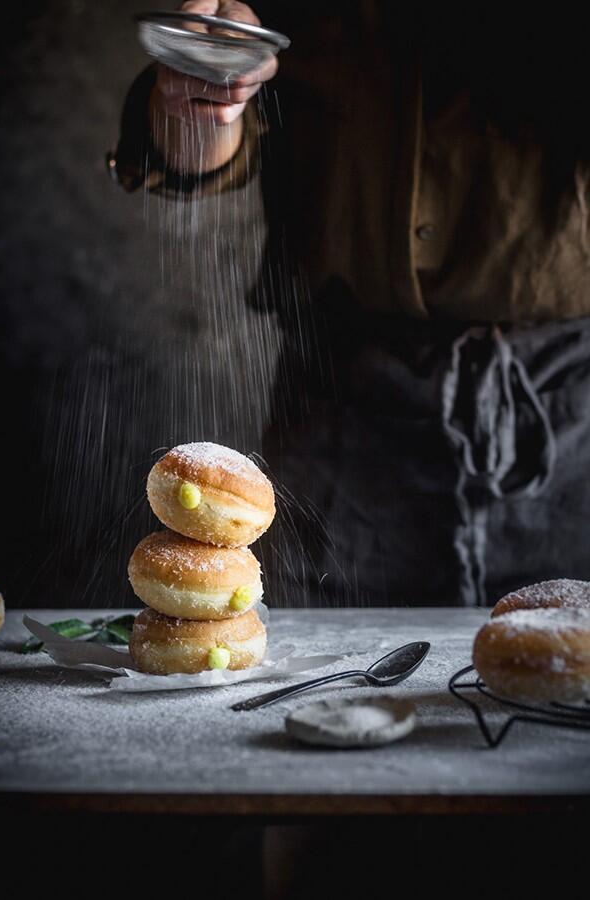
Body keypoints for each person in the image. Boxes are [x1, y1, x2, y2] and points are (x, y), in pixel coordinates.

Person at [109, 2, 590, 609]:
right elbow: (194, 138)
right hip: (343, 399)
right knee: (315, 682)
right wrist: (201, 89)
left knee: (564, 687)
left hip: (570, 402)